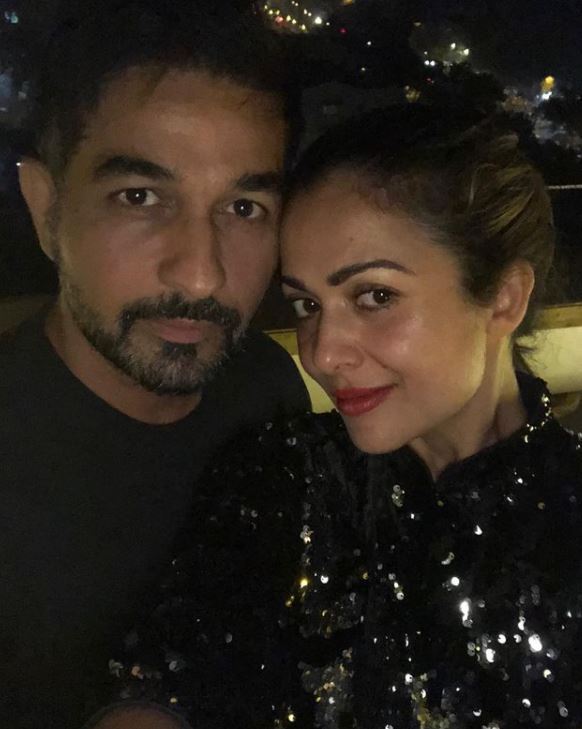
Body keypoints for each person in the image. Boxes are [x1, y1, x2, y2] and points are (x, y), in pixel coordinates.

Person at [91, 107, 582, 729]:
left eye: (375, 296)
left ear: (504, 298)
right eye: (306, 304)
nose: (322, 354)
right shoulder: (281, 475)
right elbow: (170, 674)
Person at [0, 1, 310, 726]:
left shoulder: (265, 384)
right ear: (46, 210)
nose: (201, 274)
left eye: (244, 208)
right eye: (140, 197)